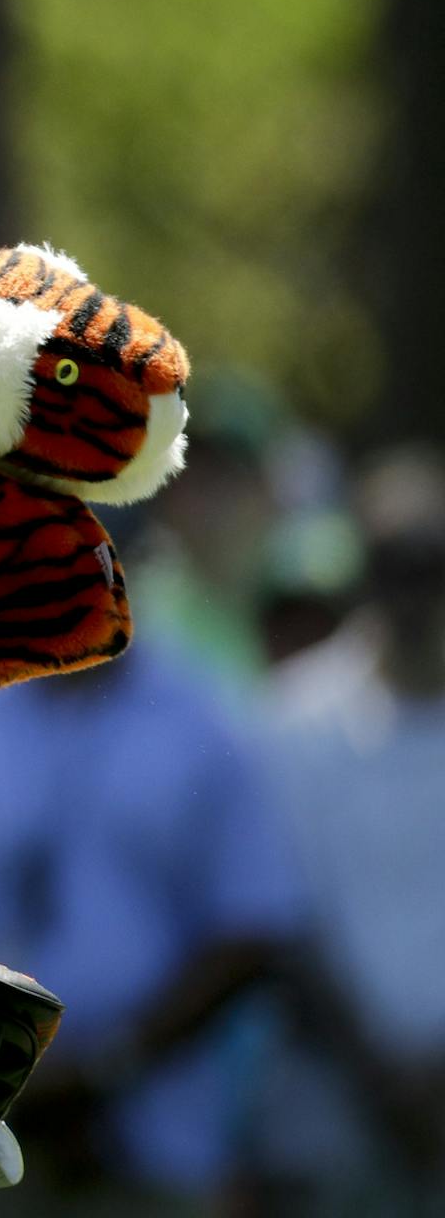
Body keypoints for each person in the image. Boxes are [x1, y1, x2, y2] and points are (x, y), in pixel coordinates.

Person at [0, 644, 305, 1217]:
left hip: (159, 1139)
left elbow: (252, 927)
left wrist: (107, 1069)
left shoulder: (201, 713)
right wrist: (1, 1073)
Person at [244, 445, 445, 1217]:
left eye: (431, 564)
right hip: (334, 1094)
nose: (414, 592)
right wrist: (382, 1077)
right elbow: (280, 921)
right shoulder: (292, 717)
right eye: (395, 564)